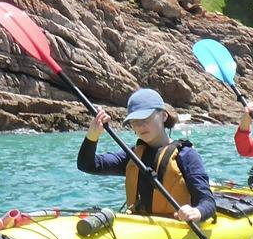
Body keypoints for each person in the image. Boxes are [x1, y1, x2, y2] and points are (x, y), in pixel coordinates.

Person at [77, 87, 216, 224]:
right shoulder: (132, 155)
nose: (140, 126)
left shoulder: (186, 155)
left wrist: (197, 212)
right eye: (135, 122)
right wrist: (92, 135)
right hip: (139, 227)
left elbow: (208, 202)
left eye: (146, 118)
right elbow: (87, 165)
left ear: (163, 116)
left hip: (174, 226)